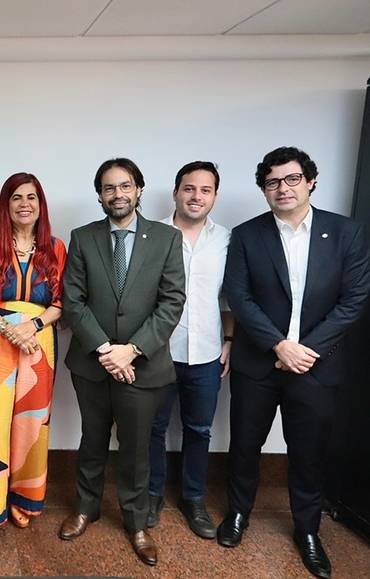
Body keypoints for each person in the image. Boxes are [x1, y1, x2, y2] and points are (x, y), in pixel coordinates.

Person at [218, 146, 370, 579]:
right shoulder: (247, 235)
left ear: (310, 181)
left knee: (309, 453)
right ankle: (238, 514)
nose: (282, 188)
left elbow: (354, 298)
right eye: (272, 182)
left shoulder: (346, 233)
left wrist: (305, 350)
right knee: (245, 446)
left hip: (317, 367)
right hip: (258, 363)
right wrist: (278, 346)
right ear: (263, 189)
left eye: (291, 179)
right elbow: (240, 298)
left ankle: (307, 530)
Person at [60, 158, 185, 567]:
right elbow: (73, 302)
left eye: (125, 186)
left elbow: (171, 302)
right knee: (92, 438)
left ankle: (136, 523)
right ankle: (86, 508)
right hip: (91, 362)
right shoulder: (83, 237)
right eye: (109, 188)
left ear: (139, 190)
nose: (118, 194)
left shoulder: (166, 238)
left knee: (135, 448)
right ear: (100, 195)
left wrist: (130, 350)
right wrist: (104, 349)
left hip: (143, 364)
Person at [0, 172, 66, 544]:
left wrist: (31, 326)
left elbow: (61, 303)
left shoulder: (55, 247)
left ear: (41, 204)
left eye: (32, 197)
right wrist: (9, 330)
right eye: (16, 197)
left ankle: (25, 497)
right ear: (6, 205)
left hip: (40, 345)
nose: (24, 204)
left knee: (32, 424)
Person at [148, 161, 233, 538]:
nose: (196, 196)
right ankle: (152, 494)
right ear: (175, 192)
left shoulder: (227, 240)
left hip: (207, 354)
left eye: (205, 190)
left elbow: (229, 299)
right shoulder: (152, 236)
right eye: (189, 188)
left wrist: (228, 342)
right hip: (159, 353)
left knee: (199, 430)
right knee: (153, 428)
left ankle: (193, 497)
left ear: (214, 195)